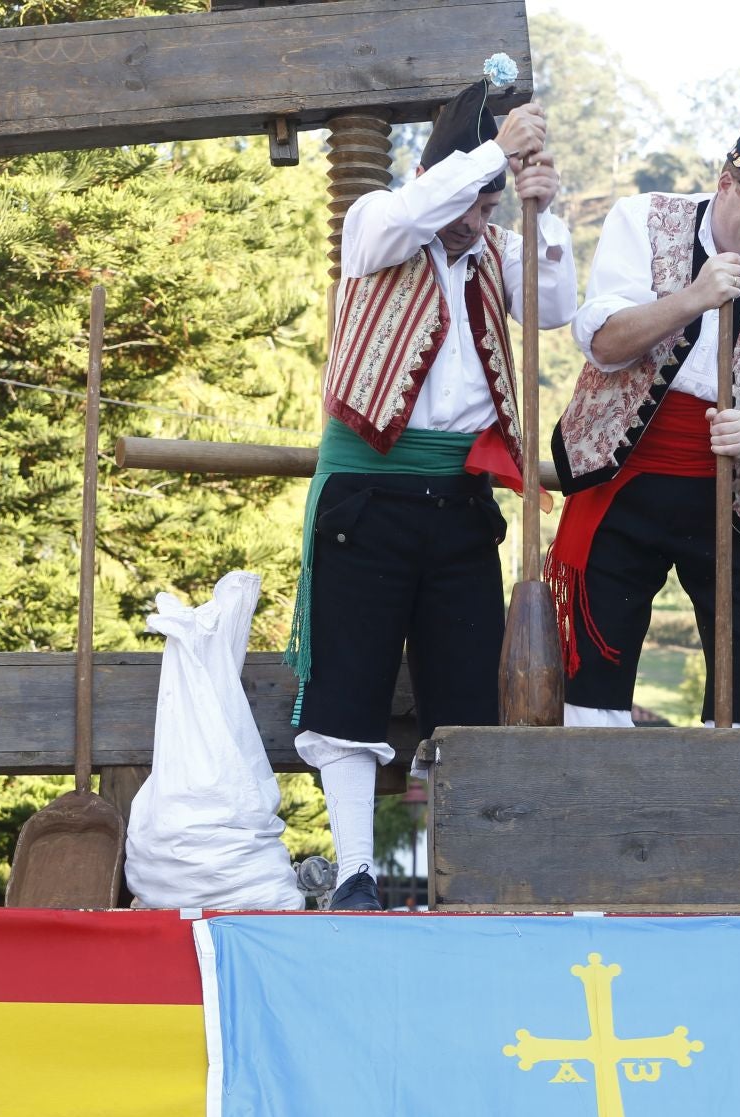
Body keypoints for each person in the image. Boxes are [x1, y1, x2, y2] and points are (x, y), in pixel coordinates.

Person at [286, 76, 576, 911]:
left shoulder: (493, 245)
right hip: (365, 497)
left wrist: (538, 208)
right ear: (440, 172)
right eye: (472, 201)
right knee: (348, 687)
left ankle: (433, 870)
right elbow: (419, 209)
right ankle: (354, 873)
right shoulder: (377, 221)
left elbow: (556, 305)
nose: (475, 223)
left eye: (488, 208)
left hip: (458, 501)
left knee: (466, 696)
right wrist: (495, 153)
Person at [548, 93, 740, 728]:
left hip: (731, 488)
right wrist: (694, 298)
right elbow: (603, 341)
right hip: (621, 476)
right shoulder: (644, 218)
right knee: (589, 682)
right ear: (726, 182)